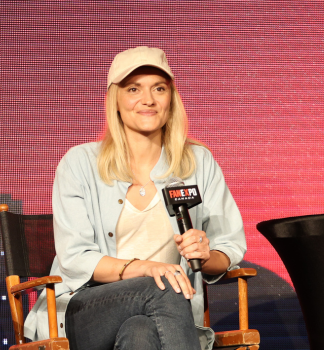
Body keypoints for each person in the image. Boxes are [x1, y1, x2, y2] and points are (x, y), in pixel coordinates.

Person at [24, 46, 247, 350]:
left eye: (159, 88)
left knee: (141, 333)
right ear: (115, 99)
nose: (148, 100)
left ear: (171, 98)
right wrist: (145, 267)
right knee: (164, 285)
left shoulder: (198, 162)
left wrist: (207, 256)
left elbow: (228, 245)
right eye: (133, 89)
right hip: (86, 309)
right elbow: (75, 257)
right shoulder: (79, 163)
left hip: (165, 316)